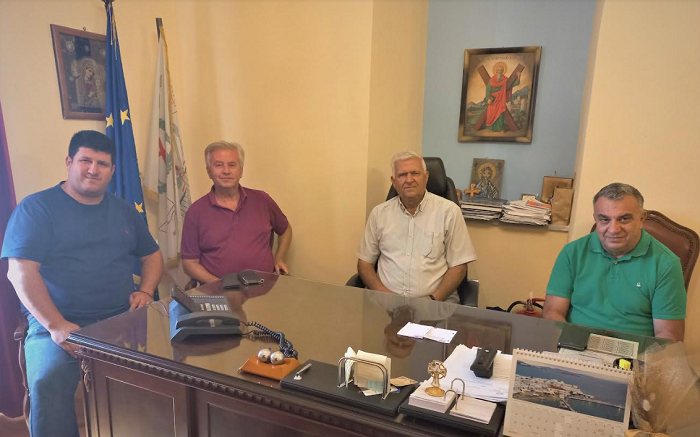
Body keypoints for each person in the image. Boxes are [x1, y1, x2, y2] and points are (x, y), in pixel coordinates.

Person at [2, 130, 164, 437]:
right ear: (69, 162)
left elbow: (152, 255)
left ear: (112, 170)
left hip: (120, 319)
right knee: (47, 381)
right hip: (54, 323)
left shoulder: (123, 210)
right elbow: (20, 273)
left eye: (102, 164)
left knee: (163, 374)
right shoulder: (36, 208)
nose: (93, 169)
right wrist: (57, 325)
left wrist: (145, 290)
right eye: (85, 160)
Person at [542, 183, 686, 341]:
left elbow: (668, 337)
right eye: (604, 219)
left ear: (642, 218)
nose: (613, 229)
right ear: (596, 219)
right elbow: (552, 312)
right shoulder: (572, 252)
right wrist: (571, 345)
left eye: (624, 219)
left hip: (636, 353)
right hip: (575, 344)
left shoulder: (666, 264)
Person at [357, 151, 477, 303]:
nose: (409, 180)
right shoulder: (379, 213)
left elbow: (459, 266)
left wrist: (433, 299)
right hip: (385, 304)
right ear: (394, 181)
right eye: (402, 175)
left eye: (415, 173)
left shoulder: (450, 212)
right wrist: (386, 296)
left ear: (426, 177)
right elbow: (365, 263)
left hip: (436, 303)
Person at [181, 141, 292, 283]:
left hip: (263, 288)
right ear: (209, 171)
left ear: (241, 171)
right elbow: (189, 263)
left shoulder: (262, 200)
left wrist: (280, 257)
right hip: (217, 290)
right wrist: (221, 285)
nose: (226, 171)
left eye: (232, 165)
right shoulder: (195, 212)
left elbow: (285, 229)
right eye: (218, 165)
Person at [483, 62, 520, 132]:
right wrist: (488, 98)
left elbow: (513, 84)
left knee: (500, 114)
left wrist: (518, 77)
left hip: (500, 99)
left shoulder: (505, 80)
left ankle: (500, 129)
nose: (499, 72)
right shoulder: (491, 80)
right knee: (491, 114)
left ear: (503, 71)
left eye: (501, 70)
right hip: (492, 100)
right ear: (496, 71)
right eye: (498, 70)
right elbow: (488, 90)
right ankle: (491, 128)